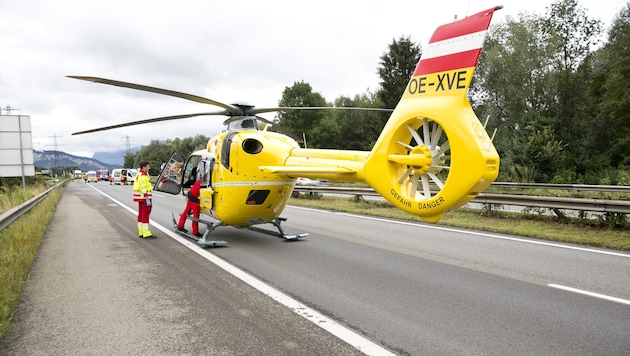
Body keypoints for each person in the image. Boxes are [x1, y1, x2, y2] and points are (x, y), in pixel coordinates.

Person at [177, 168, 202, 237]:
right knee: (196, 215)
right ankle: (195, 232)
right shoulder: (205, 182)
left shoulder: (201, 180)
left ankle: (180, 225)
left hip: (190, 194)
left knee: (186, 211)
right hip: (194, 198)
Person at [133, 161, 153, 238]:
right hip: (144, 197)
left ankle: (141, 231)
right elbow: (143, 187)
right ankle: (146, 233)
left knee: (141, 214)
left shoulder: (139, 174)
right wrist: (146, 197)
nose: (149, 168)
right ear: (144, 167)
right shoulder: (143, 176)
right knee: (145, 214)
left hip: (140, 197)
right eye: (148, 166)